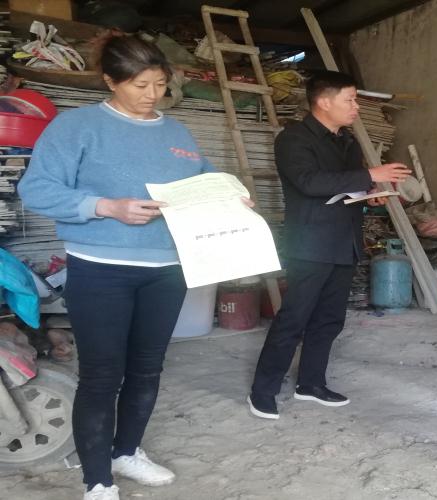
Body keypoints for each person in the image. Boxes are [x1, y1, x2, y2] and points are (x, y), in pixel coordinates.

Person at [18, 35, 222, 500]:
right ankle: (97, 479)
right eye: (140, 85)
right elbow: (38, 189)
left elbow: (204, 180)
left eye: (160, 84)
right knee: (102, 375)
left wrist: (229, 196)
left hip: (167, 268)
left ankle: (126, 452)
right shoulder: (77, 126)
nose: (152, 95)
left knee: (147, 368)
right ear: (111, 81)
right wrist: (106, 206)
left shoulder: (177, 133)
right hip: (101, 268)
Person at [248, 71, 411, 419]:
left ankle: (311, 383)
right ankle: (263, 390)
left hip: (344, 241)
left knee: (330, 319)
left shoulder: (346, 141)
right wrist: (371, 175)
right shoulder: (294, 138)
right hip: (310, 242)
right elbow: (309, 182)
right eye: (349, 100)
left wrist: (370, 193)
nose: (355, 107)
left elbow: (347, 187)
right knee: (294, 319)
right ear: (324, 101)